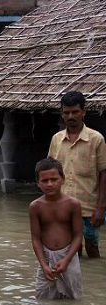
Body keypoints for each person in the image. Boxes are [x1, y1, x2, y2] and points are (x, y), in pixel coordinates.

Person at [48, 90, 106, 258]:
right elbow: (49, 173)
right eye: (66, 112)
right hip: (62, 206)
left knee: (92, 248)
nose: (71, 116)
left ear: (83, 112)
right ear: (62, 114)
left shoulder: (96, 139)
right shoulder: (56, 140)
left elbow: (104, 173)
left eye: (75, 112)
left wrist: (101, 207)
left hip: (89, 206)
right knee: (72, 252)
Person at [29, 158, 83, 299]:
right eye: (45, 181)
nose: (50, 184)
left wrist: (66, 259)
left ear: (63, 179)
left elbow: (78, 236)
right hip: (46, 257)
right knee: (42, 298)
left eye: (54, 179)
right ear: (38, 183)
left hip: (68, 255)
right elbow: (36, 239)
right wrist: (44, 265)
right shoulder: (35, 207)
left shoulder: (73, 204)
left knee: (73, 297)